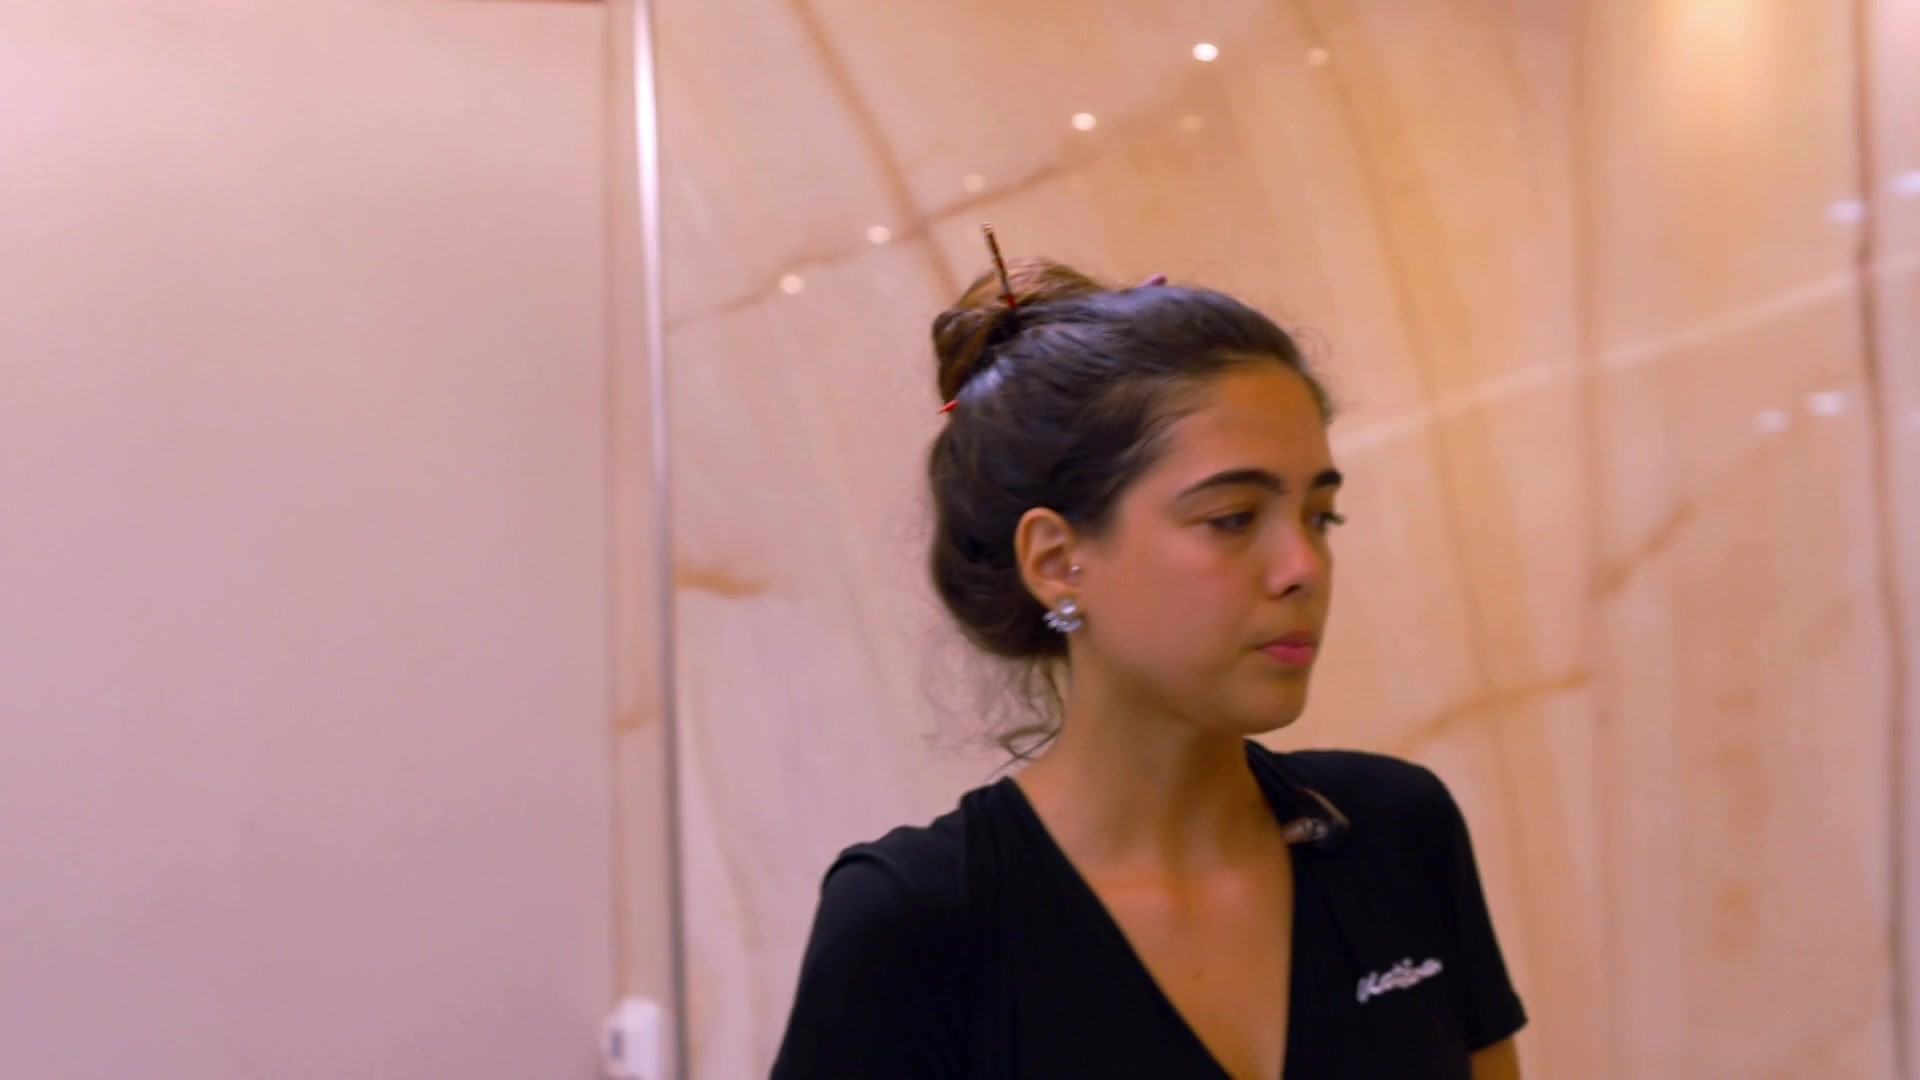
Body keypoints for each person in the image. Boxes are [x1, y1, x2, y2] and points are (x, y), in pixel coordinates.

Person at [771, 234, 1527, 1079]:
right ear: (1058, 560)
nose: (1303, 567)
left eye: (1320, 518)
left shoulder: (1395, 833)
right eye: (1233, 519)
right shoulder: (913, 922)